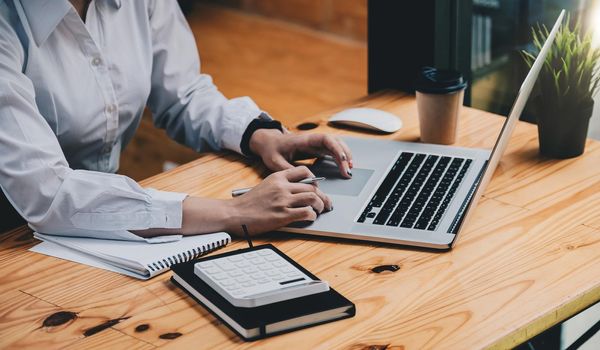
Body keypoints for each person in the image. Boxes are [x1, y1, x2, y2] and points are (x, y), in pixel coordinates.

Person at [0, 0, 354, 238]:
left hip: (100, 225)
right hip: (13, 237)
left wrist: (259, 134)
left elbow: (182, 92)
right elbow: (50, 193)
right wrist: (234, 212)